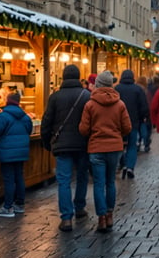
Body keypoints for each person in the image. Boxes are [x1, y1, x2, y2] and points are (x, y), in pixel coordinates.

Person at [79, 71, 132, 233]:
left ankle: (101, 218)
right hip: (115, 148)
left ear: (99, 85)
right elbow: (127, 128)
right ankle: (109, 215)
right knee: (110, 182)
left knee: (99, 183)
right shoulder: (120, 104)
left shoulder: (90, 104)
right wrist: (116, 134)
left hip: (96, 148)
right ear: (111, 85)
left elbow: (83, 129)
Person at [41, 64, 91, 232]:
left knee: (64, 180)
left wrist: (47, 142)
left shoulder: (55, 97)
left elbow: (46, 121)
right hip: (83, 144)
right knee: (82, 176)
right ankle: (79, 207)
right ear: (78, 77)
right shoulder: (86, 96)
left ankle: (67, 218)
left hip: (62, 144)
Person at [0, 93, 33, 217]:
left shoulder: (3, 116)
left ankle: (7, 207)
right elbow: (29, 131)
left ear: (7, 101)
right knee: (19, 176)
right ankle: (19, 204)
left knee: (9, 178)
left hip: (7, 151)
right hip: (21, 151)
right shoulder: (25, 117)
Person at [115, 69, 149, 179]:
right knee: (132, 146)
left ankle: (123, 164)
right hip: (133, 123)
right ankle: (130, 167)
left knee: (120, 145)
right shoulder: (138, 89)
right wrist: (143, 117)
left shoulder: (116, 89)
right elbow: (144, 106)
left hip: (119, 124)